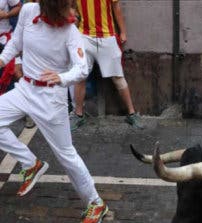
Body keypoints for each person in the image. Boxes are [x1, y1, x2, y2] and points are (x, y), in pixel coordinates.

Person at [0, 1, 108, 222]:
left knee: (66, 155)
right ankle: (31, 163)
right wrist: (1, 59)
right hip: (25, 88)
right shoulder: (29, 11)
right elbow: (16, 42)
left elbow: (82, 68)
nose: (69, 10)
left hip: (50, 99)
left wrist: (62, 77)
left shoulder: (70, 31)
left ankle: (96, 203)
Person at [71, 0, 144, 130]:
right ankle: (78, 115)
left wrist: (122, 31)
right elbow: (70, 7)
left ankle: (132, 113)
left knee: (118, 77)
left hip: (107, 36)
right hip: (84, 36)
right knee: (80, 76)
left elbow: (116, 8)